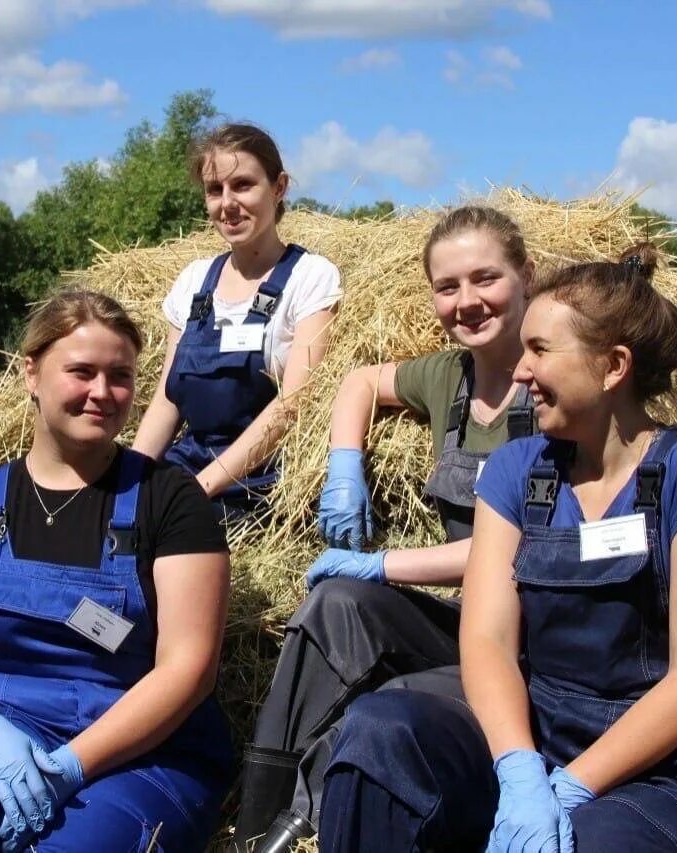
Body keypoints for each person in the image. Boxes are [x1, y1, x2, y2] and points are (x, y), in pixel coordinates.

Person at [319, 245, 677, 853]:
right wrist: (520, 772)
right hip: (533, 732)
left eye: (540, 350)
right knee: (379, 732)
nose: (520, 372)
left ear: (614, 366)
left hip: (656, 768)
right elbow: (488, 638)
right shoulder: (517, 469)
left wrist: (574, 786)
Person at [229, 206, 540, 852]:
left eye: (486, 278)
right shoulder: (450, 376)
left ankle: (313, 806)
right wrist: (346, 460)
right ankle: (258, 825)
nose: (467, 300)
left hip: (530, 634)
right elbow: (361, 381)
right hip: (468, 617)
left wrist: (382, 563)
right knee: (333, 603)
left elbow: (520, 549)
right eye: (447, 286)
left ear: (526, 276)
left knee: (390, 699)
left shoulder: (556, 385)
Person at [0, 291, 233, 853]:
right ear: (31, 373)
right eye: (81, 372)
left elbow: (188, 670)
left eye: (120, 376)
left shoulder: (169, 502)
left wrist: (73, 765)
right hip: (1, 731)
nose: (102, 392)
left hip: (139, 752)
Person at [133, 122, 341, 519]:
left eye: (243, 185)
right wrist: (131, 478)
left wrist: (201, 489)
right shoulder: (194, 281)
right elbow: (167, 400)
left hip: (257, 486)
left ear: (278, 187)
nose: (227, 203)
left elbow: (291, 405)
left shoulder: (311, 277)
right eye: (215, 190)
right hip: (187, 469)